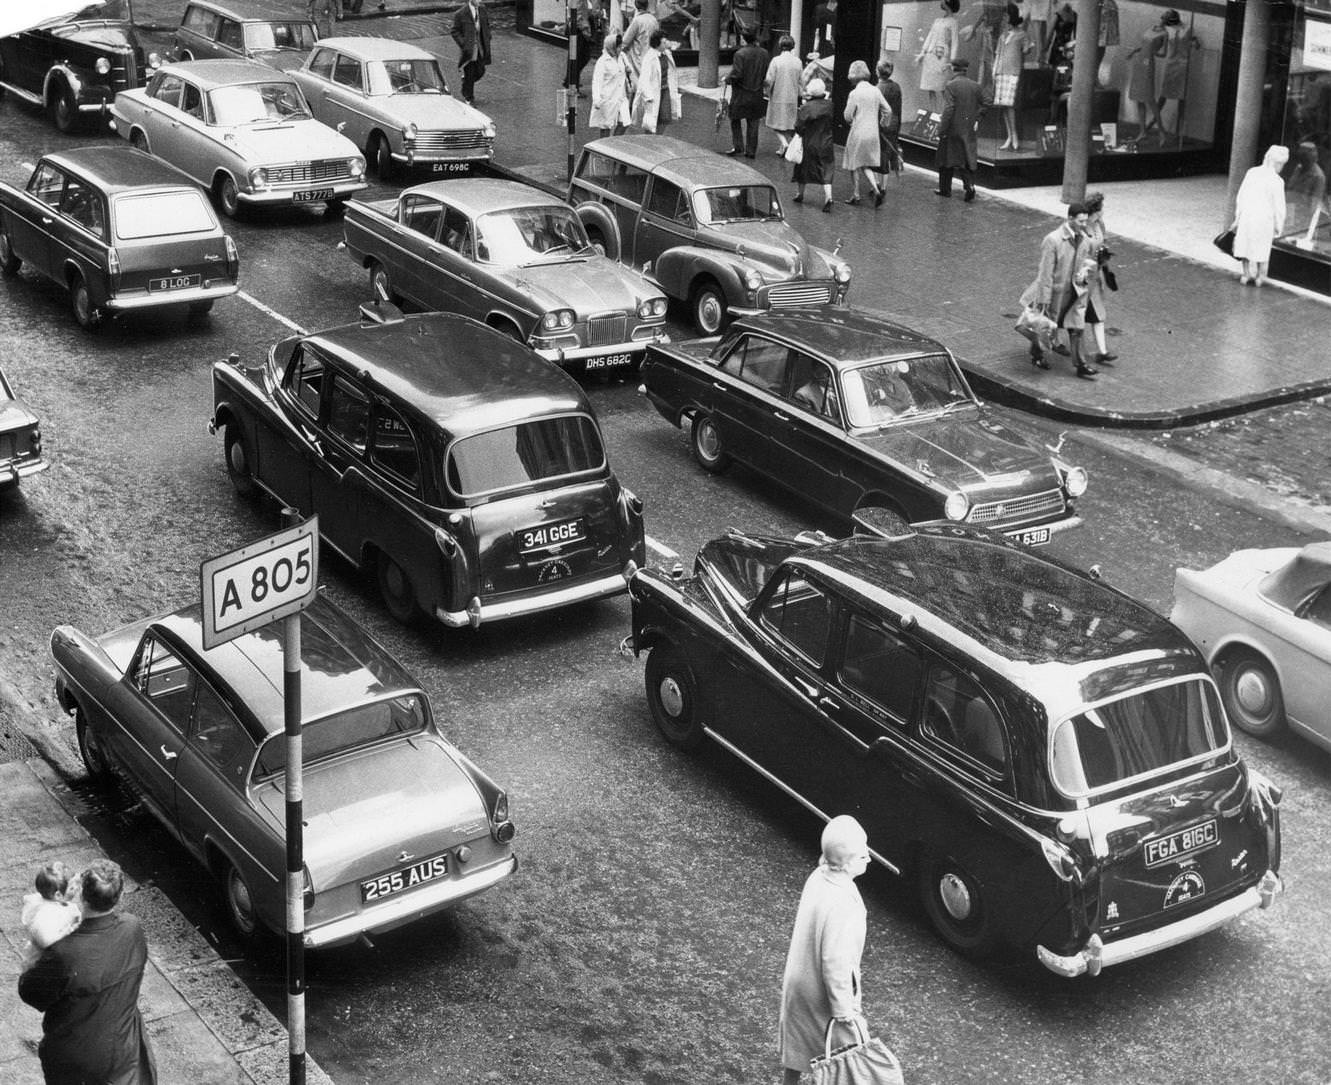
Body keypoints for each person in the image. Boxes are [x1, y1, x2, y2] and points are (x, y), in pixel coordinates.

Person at [19, 861, 158, 1085]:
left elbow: (30, 993)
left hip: (74, 1059)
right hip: (123, 1048)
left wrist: (33, 960)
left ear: (82, 895)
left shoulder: (63, 952)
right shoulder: (132, 928)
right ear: (119, 896)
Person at [777, 815, 871, 1085]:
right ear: (845, 863)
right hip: (823, 995)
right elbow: (836, 961)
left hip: (800, 985)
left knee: (797, 1049)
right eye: (861, 854)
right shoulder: (844, 902)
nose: (868, 856)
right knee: (846, 1060)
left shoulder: (819, 876)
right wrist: (844, 1010)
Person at [1018, 201, 1099, 377]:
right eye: (1080, 221)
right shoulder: (1053, 240)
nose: (1084, 225)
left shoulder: (1084, 240)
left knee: (1077, 327)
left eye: (1086, 221)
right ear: (1069, 218)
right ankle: (1037, 354)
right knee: (1044, 326)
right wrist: (1043, 300)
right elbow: (1045, 273)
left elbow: (1084, 263)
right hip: (1055, 294)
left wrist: (1084, 275)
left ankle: (1080, 365)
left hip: (1075, 293)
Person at [1232, 144, 1290, 286]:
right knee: (1262, 249)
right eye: (1282, 164)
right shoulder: (1277, 181)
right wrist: (1278, 226)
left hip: (1248, 215)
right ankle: (1260, 276)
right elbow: (1279, 207)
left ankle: (1246, 274)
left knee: (1245, 246)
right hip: (1265, 219)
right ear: (1278, 163)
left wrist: (1238, 215)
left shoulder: (1252, 172)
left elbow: (1241, 195)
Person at [935, 57, 991, 201]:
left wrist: (942, 129)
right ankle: (969, 186)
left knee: (946, 160)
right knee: (965, 160)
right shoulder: (976, 86)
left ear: (953, 68)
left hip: (952, 127)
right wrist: (977, 118)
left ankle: (945, 189)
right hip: (968, 128)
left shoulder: (951, 86)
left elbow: (949, 109)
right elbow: (987, 101)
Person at [842, 60, 889, 207]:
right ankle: (876, 189)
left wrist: (851, 121)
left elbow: (847, 115)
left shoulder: (854, 93)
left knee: (854, 164)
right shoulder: (876, 90)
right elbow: (888, 110)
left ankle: (856, 195)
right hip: (873, 133)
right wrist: (882, 123)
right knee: (866, 164)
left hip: (858, 132)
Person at [21, 862, 82, 967]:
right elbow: (46, 941)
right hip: (41, 962)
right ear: (58, 895)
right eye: (72, 887)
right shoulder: (46, 914)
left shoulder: (43, 899)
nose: (77, 889)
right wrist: (70, 929)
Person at [1083, 190, 1117, 364]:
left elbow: (1103, 242)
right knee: (1068, 313)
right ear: (1095, 210)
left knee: (1098, 314)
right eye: (1101, 208)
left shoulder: (1099, 224)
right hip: (1081, 278)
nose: (1103, 211)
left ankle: (1102, 351)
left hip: (1094, 278)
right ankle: (1054, 341)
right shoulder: (1082, 226)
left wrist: (1105, 253)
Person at [793, 78, 836, 212]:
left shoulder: (806, 108)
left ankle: (800, 194)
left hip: (810, 142)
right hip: (827, 142)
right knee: (827, 169)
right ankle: (828, 197)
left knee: (802, 168)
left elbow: (798, 126)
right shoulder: (830, 105)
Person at [993, 3, 1032, 151]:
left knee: (1010, 105)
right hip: (1001, 71)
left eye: (1006, 15)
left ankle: (1014, 136)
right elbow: (998, 54)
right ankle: (1010, 136)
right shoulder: (1003, 35)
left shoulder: (1022, 34)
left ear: (1011, 17)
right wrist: (994, 70)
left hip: (1013, 72)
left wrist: (1027, 47)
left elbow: (1027, 49)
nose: (1004, 18)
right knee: (1004, 105)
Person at [1156, 9, 1199, 140]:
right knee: (1163, 95)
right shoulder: (1166, 29)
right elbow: (1159, 46)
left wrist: (1195, 43)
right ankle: (1156, 124)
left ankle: (1179, 132)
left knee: (1181, 97)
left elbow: (1194, 42)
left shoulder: (1188, 28)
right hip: (1170, 64)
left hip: (1182, 65)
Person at [726, 26, 769, 158]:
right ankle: (751, 151)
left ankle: (738, 146)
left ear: (744, 39)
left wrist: (728, 79)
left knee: (735, 119)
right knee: (753, 122)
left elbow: (737, 74)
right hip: (757, 93)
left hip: (741, 93)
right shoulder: (764, 53)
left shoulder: (740, 54)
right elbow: (765, 73)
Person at [1124, 13, 1166, 144]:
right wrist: (1134, 52)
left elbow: (1163, 53)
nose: (1164, 18)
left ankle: (1162, 132)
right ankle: (1142, 131)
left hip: (1148, 64)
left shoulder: (1165, 34)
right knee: (1138, 98)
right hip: (1139, 61)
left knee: (1150, 99)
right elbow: (1144, 44)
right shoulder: (1151, 28)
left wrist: (1153, 52)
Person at [631, 29, 680, 133]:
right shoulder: (650, 57)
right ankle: (649, 141)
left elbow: (671, 72)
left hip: (665, 90)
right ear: (657, 44)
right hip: (653, 92)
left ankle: (659, 138)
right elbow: (644, 79)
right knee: (651, 120)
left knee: (665, 118)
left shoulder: (666, 54)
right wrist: (648, 96)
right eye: (663, 42)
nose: (666, 43)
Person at [916, 0, 960, 113]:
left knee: (942, 87)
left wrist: (952, 61)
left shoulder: (953, 22)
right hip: (930, 56)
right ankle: (934, 113)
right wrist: (923, 51)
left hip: (941, 57)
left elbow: (955, 42)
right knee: (931, 88)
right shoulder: (938, 20)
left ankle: (944, 114)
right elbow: (930, 36)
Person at [764, 34, 802, 156]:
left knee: (775, 124)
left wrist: (766, 92)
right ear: (792, 46)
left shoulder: (776, 61)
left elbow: (769, 80)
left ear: (780, 46)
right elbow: (801, 81)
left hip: (777, 97)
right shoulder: (798, 62)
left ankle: (785, 144)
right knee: (787, 125)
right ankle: (782, 148)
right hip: (792, 98)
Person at [1286, 140, 1328, 246]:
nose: (1302, 162)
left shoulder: (1318, 177)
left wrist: (1302, 225)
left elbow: (1313, 206)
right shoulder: (1299, 168)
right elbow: (1290, 188)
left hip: (1302, 220)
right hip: (1291, 211)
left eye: (1305, 159)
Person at [451, 0, 492, 105]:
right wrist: (463, 44)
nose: (480, 0)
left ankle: (466, 84)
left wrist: (488, 37)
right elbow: (454, 31)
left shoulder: (482, 10)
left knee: (480, 71)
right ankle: (469, 97)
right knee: (470, 72)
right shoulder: (460, 13)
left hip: (481, 47)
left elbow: (486, 25)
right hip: (469, 49)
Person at [590, 33, 632, 135]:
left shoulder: (622, 56)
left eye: (621, 46)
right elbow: (597, 81)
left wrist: (628, 70)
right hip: (608, 97)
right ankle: (604, 148)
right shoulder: (602, 62)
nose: (620, 49)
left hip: (621, 96)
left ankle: (613, 143)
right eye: (618, 47)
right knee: (606, 126)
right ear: (611, 47)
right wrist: (596, 99)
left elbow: (628, 69)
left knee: (625, 122)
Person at [873, 60, 903, 178]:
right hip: (894, 122)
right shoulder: (896, 87)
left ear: (877, 72)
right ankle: (884, 185)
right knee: (887, 153)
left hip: (881, 123)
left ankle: (877, 183)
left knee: (879, 154)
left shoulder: (877, 88)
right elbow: (899, 108)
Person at [620, 0, 659, 78]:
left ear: (636, 5)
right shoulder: (654, 19)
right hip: (651, 54)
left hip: (639, 56)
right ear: (647, 5)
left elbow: (625, 41)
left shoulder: (637, 20)